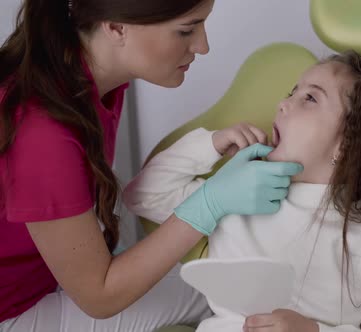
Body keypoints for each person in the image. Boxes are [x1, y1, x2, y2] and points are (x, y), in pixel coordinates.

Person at [0, 1, 303, 331]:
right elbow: (100, 296)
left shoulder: (84, 73)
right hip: (14, 307)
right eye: (186, 30)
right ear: (116, 28)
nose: (203, 46)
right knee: (231, 297)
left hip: (47, 275)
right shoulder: (44, 135)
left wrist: (210, 149)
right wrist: (210, 202)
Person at [124, 51, 361, 332]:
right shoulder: (237, 195)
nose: (282, 104)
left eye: (310, 98)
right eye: (293, 92)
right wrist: (211, 144)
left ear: (348, 145)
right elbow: (141, 195)